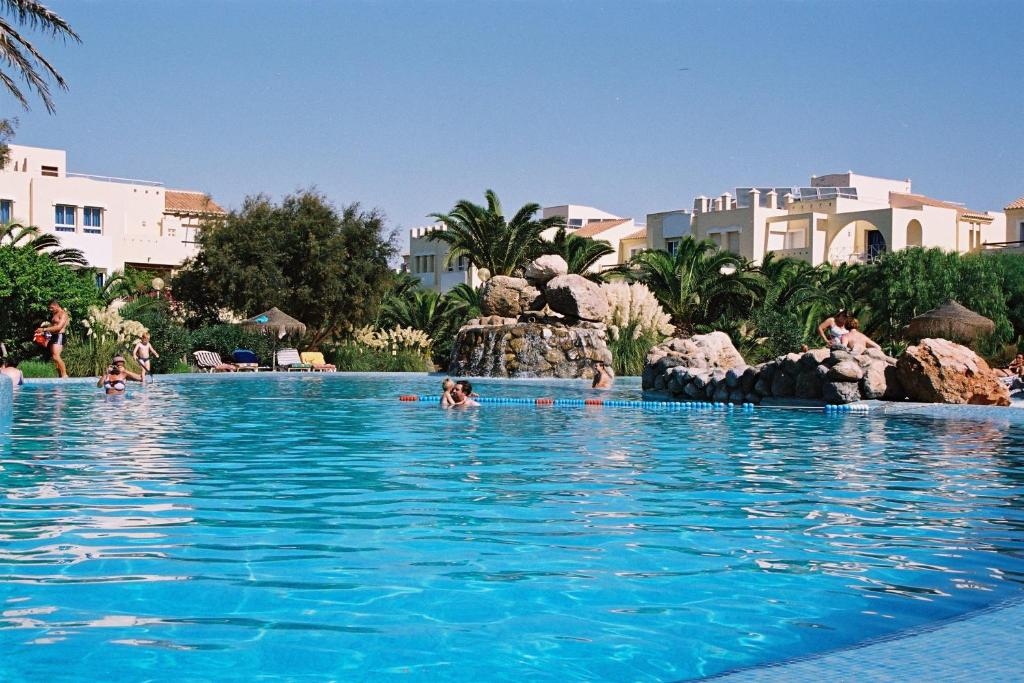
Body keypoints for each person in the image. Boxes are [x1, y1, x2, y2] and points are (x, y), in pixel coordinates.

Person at [35, 300, 69, 378]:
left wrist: (43, 329)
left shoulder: (63, 314)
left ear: (56, 305)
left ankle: (65, 375)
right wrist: (45, 336)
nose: (50, 309)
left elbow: (58, 327)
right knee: (54, 358)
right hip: (53, 336)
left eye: (52, 308)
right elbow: (52, 327)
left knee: (56, 356)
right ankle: (61, 375)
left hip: (59, 335)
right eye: (49, 308)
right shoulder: (54, 314)